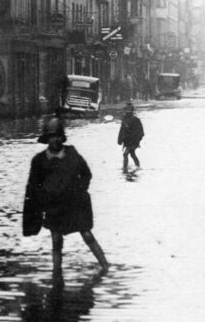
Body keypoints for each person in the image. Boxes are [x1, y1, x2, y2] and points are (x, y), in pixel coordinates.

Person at [22, 116, 109, 276]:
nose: (55, 140)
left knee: (87, 235)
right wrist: (39, 205)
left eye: (57, 136)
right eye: (51, 137)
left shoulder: (71, 153)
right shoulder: (39, 161)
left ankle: (106, 268)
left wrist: (79, 191)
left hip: (74, 204)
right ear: (46, 139)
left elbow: (86, 173)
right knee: (56, 241)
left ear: (62, 137)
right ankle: (57, 276)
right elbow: (33, 187)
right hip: (53, 207)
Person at [117, 102, 144, 172]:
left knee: (125, 154)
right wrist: (120, 140)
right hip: (127, 141)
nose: (127, 111)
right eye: (126, 109)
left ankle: (125, 169)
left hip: (133, 141)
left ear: (132, 111)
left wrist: (136, 139)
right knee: (132, 154)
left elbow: (141, 132)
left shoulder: (136, 120)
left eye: (129, 110)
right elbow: (122, 130)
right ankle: (137, 167)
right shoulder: (124, 119)